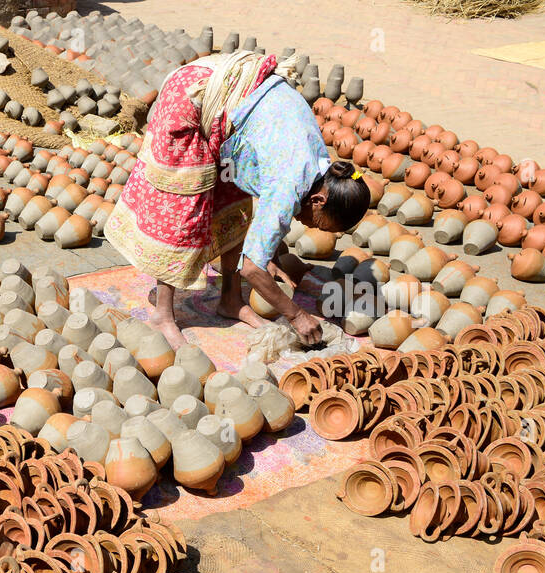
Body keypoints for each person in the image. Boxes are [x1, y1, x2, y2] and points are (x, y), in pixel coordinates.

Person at [105, 50, 371, 349]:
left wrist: (268, 248)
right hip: (190, 98)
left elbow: (264, 187)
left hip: (231, 114)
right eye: (319, 225)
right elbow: (252, 269)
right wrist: (296, 315)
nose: (311, 226)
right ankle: (164, 315)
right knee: (184, 210)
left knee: (236, 204)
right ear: (319, 200)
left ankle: (230, 300)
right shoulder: (290, 182)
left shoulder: (321, 164)